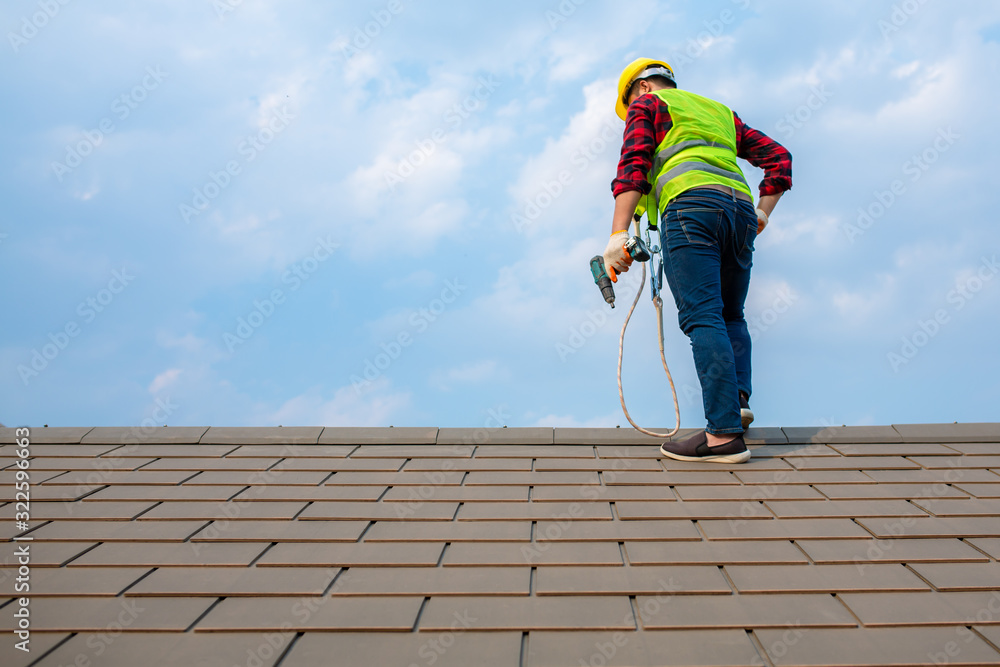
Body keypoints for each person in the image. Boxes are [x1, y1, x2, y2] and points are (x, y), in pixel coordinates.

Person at [603, 58, 792, 464]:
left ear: (640, 90)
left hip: (690, 208)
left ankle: (722, 437)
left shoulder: (648, 106)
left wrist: (618, 234)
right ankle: (735, 405)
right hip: (740, 211)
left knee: (703, 316)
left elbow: (634, 166)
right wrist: (762, 213)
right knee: (730, 314)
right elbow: (779, 157)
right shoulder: (719, 112)